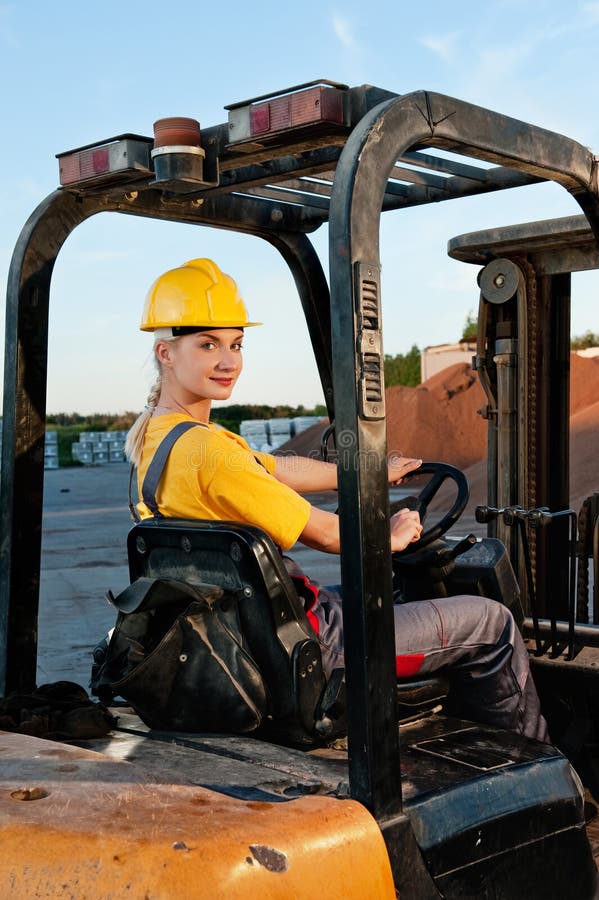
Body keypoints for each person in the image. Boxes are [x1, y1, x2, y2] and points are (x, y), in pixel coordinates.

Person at [125, 257, 548, 743]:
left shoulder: (162, 445)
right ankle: (537, 768)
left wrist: (372, 471)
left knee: (390, 598)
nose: (228, 360)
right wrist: (390, 537)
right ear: (166, 353)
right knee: (492, 623)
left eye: (235, 344)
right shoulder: (208, 452)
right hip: (314, 648)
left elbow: (280, 468)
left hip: (243, 638)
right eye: (208, 345)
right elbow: (328, 534)